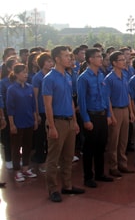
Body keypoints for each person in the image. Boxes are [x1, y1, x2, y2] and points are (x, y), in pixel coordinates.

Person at [43, 46, 85, 202]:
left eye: (69, 55)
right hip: (57, 121)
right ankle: (53, 189)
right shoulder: (49, 78)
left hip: (69, 121)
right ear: (57, 59)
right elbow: (47, 105)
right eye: (66, 56)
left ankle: (67, 186)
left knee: (68, 157)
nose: (69, 58)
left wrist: (74, 121)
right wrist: (52, 126)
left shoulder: (67, 76)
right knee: (54, 159)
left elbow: (70, 101)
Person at [77, 48, 114, 188]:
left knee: (101, 146)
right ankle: (88, 177)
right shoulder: (83, 78)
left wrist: (109, 115)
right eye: (98, 57)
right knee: (89, 148)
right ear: (90, 59)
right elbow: (81, 101)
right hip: (91, 116)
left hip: (102, 115)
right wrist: (86, 119)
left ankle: (100, 173)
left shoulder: (101, 75)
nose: (101, 59)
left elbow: (105, 96)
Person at [105, 51, 135, 177]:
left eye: (124, 59)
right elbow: (108, 99)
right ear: (114, 63)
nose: (124, 61)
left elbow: (128, 95)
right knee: (114, 140)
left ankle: (123, 164)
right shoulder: (109, 79)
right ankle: (113, 166)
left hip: (124, 109)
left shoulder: (125, 76)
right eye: (121, 60)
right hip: (116, 110)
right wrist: (111, 115)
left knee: (123, 139)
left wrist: (131, 111)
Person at [7, 64, 38, 183]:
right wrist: (12, 124)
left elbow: (33, 105)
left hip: (29, 121)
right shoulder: (12, 89)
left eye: (26, 72)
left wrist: (35, 119)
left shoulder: (29, 87)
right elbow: (10, 109)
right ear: (16, 74)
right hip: (17, 123)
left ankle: (26, 168)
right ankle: (17, 171)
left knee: (27, 146)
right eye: (22, 72)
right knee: (16, 148)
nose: (26, 75)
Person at [31, 52, 54, 171]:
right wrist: (36, 114)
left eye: (51, 61)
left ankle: (50, 161)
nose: (51, 63)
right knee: (41, 137)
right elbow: (35, 97)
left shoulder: (53, 75)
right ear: (42, 63)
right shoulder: (37, 77)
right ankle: (41, 161)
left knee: (51, 138)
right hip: (41, 110)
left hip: (51, 110)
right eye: (48, 61)